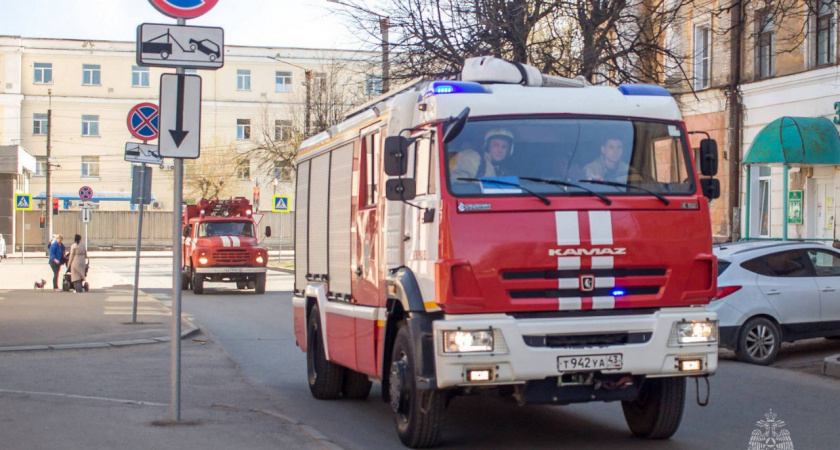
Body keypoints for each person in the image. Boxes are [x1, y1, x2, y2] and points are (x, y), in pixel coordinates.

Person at [450, 128, 515, 180]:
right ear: (487, 146)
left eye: (504, 146)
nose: (500, 150)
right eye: (496, 145)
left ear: (509, 150)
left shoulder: (502, 170)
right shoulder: (472, 158)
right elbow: (456, 184)